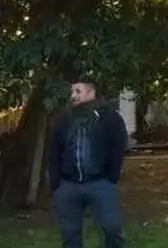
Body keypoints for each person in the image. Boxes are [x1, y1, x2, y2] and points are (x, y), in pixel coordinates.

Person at [48, 79, 128, 248]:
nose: (73, 96)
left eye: (78, 91)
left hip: (99, 183)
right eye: (72, 92)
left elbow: (119, 146)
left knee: (110, 229)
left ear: (91, 94)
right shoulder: (63, 120)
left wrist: (111, 176)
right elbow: (53, 152)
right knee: (70, 235)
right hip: (68, 185)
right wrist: (56, 184)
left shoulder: (109, 118)